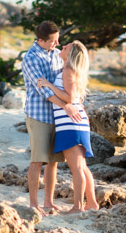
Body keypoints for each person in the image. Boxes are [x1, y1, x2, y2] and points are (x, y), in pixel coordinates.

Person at [20, 20, 81, 214]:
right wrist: (67, 106)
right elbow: (43, 90)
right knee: (37, 161)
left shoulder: (56, 55)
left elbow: (65, 82)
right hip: (38, 115)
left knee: (53, 161)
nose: (56, 44)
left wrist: (68, 105)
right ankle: (33, 203)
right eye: (53, 41)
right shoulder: (30, 59)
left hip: (57, 116)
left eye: (57, 40)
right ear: (41, 40)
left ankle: (48, 201)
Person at [37, 40, 99, 213]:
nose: (62, 48)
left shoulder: (68, 70)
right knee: (82, 166)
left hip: (70, 123)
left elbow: (69, 98)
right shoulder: (70, 71)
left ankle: (78, 206)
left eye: (66, 48)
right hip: (75, 122)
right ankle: (92, 203)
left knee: (77, 168)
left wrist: (49, 85)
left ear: (71, 55)